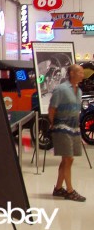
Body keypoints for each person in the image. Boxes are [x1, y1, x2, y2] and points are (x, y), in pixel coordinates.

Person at [49, 64, 86, 202]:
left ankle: (58, 188)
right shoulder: (61, 89)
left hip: (74, 128)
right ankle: (69, 190)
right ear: (71, 73)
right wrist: (54, 125)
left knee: (67, 160)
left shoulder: (79, 91)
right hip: (62, 127)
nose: (82, 75)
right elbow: (52, 109)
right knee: (68, 159)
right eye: (80, 72)